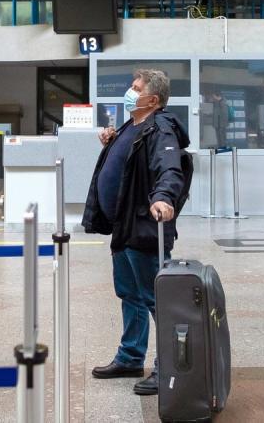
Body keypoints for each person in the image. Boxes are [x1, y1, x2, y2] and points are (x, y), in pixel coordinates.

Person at [82, 69, 189, 396]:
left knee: (156, 300)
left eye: (136, 88)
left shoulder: (162, 128)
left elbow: (169, 168)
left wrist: (163, 196)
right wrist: (112, 142)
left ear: (152, 99)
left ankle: (166, 366)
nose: (130, 92)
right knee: (129, 294)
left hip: (144, 226)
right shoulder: (135, 125)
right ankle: (130, 357)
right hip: (123, 225)